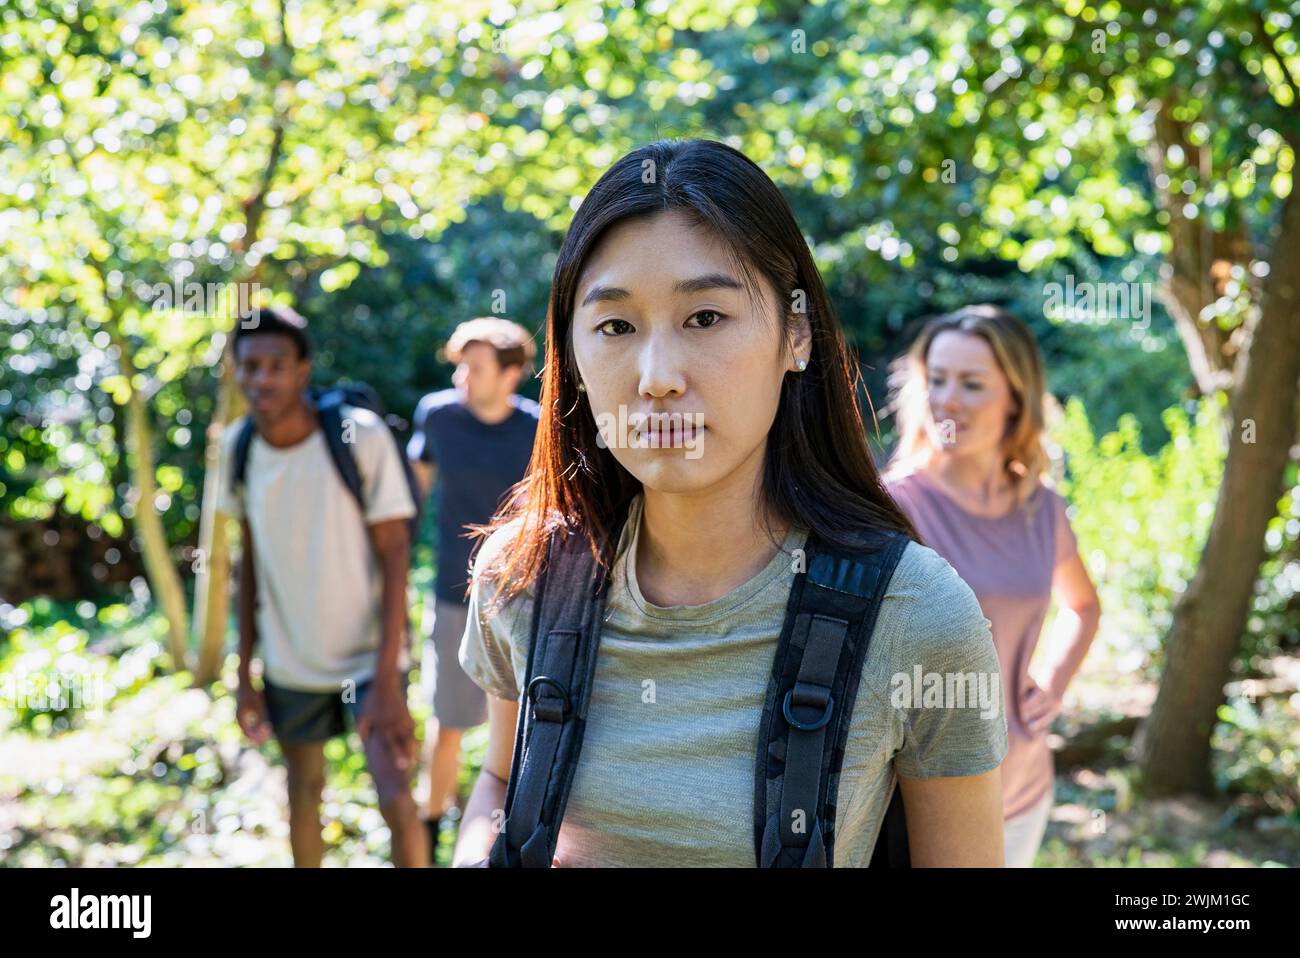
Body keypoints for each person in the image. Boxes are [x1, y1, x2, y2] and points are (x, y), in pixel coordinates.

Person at [450, 138, 1010, 868]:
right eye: (616, 326)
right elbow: (502, 781)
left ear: (797, 333)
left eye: (705, 317)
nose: (656, 377)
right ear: (575, 359)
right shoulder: (522, 576)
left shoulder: (916, 615)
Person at [883, 304, 1102, 867]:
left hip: (1025, 783)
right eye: (938, 380)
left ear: (1014, 399)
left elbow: (1082, 605)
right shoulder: (891, 508)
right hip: (925, 800)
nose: (948, 399)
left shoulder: (1041, 508)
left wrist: (1052, 682)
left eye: (972, 384)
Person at [220, 304, 428, 867]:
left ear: (303, 370)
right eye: (250, 366)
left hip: (370, 661)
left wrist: (388, 679)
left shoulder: (355, 436)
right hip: (291, 663)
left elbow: (396, 556)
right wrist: (244, 675)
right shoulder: (237, 448)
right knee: (302, 793)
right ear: (235, 371)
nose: (262, 378)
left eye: (276, 365)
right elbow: (249, 565)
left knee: (396, 797)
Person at [406, 317, 539, 855]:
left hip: (526, 596)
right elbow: (411, 499)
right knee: (450, 720)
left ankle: (504, 841)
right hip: (452, 593)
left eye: (475, 366)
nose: (462, 376)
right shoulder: (437, 417)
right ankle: (430, 830)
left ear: (510, 376)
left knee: (521, 735)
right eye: (459, 365)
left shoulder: (536, 428)